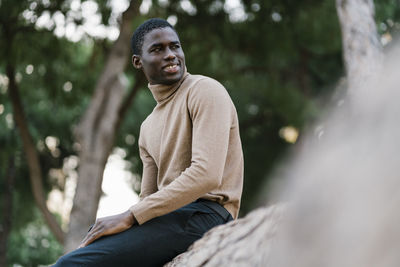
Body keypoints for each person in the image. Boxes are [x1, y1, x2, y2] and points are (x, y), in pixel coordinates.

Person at [53, 18, 243, 267]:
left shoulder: (205, 90)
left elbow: (206, 174)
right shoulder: (147, 127)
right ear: (137, 61)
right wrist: (124, 226)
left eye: (175, 46)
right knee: (81, 255)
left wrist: (129, 216)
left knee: (70, 266)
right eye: (158, 49)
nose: (170, 55)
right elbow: (148, 199)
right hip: (168, 221)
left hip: (206, 215)